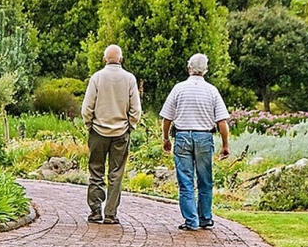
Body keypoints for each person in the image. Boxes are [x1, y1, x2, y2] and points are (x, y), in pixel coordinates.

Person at [159, 53, 230, 231]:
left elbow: (167, 118)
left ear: (189, 68)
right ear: (205, 70)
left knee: (186, 180)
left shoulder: (179, 88)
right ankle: (205, 218)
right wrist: (225, 145)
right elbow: (222, 122)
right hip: (204, 137)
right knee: (205, 180)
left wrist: (166, 138)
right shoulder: (212, 90)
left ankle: (191, 221)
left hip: (182, 136)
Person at [81, 44, 142, 224]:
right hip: (121, 132)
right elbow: (135, 109)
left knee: (96, 170)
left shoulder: (97, 78)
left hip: (98, 131)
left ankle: (95, 210)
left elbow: (87, 107)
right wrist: (130, 125)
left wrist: (89, 124)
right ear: (121, 59)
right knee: (116, 173)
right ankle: (110, 213)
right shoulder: (130, 79)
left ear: (104, 59)